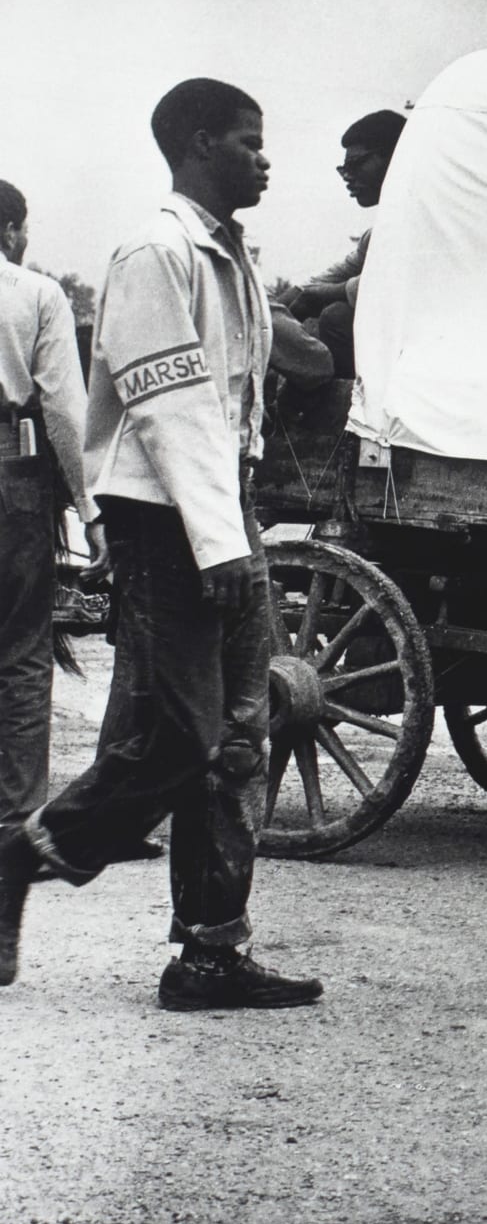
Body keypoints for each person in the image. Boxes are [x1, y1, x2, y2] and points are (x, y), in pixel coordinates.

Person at [0, 78, 323, 1009]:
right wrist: (221, 541)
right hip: (168, 518)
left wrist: (236, 524)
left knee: (238, 737)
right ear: (196, 143)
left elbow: (235, 400)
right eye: (248, 142)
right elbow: (170, 405)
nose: (265, 159)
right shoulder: (155, 251)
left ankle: (211, 952)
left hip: (224, 511)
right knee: (176, 734)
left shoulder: (229, 257)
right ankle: (22, 855)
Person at [0, 182, 107, 838]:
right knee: (19, 650)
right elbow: (66, 411)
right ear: (10, 229)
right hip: (11, 478)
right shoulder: (35, 295)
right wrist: (91, 509)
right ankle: (17, 818)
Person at [278, 108, 404, 377]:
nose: (348, 175)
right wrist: (278, 311)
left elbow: (380, 286)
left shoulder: (425, 217)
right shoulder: (380, 232)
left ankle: (349, 403)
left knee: (337, 317)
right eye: (343, 168)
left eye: (356, 164)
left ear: (395, 158)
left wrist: (318, 295)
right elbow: (334, 274)